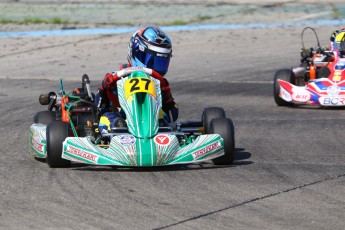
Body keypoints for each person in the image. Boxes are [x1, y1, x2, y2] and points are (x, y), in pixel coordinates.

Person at [95, 26, 179, 134]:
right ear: (137, 52)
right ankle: (119, 128)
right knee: (106, 118)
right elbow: (99, 108)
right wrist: (104, 87)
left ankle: (159, 129)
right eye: (153, 60)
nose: (157, 66)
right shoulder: (115, 77)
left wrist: (166, 94)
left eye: (161, 61)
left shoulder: (159, 83)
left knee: (162, 117)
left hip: (150, 118)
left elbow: (173, 113)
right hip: (122, 118)